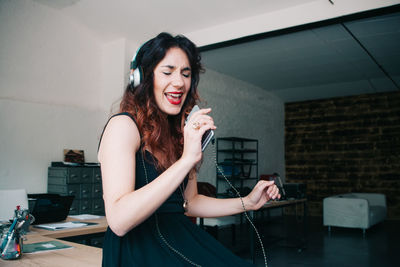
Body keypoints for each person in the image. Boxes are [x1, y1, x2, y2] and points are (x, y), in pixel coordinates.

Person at [98, 32, 280, 267]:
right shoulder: (123, 126)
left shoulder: (178, 135)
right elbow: (119, 220)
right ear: (142, 78)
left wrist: (248, 202)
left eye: (186, 74)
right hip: (138, 250)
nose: (179, 82)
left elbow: (191, 202)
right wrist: (186, 160)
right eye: (167, 72)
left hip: (178, 237)